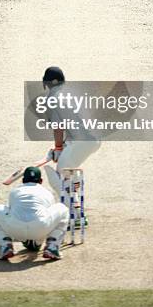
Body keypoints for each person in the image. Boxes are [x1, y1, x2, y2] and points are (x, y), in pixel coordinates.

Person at [41, 67, 101, 214]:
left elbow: (58, 127)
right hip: (94, 138)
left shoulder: (52, 98)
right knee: (67, 171)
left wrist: (59, 148)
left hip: (82, 141)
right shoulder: (71, 93)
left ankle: (74, 212)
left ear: (49, 82)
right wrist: (63, 146)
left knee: (61, 173)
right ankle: (75, 207)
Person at [0, 166, 69, 261]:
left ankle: (5, 246)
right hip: (40, 228)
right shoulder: (46, 192)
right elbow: (49, 215)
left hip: (15, 230)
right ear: (41, 181)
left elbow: (10, 210)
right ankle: (52, 246)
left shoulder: (15, 191)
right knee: (63, 208)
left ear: (23, 180)